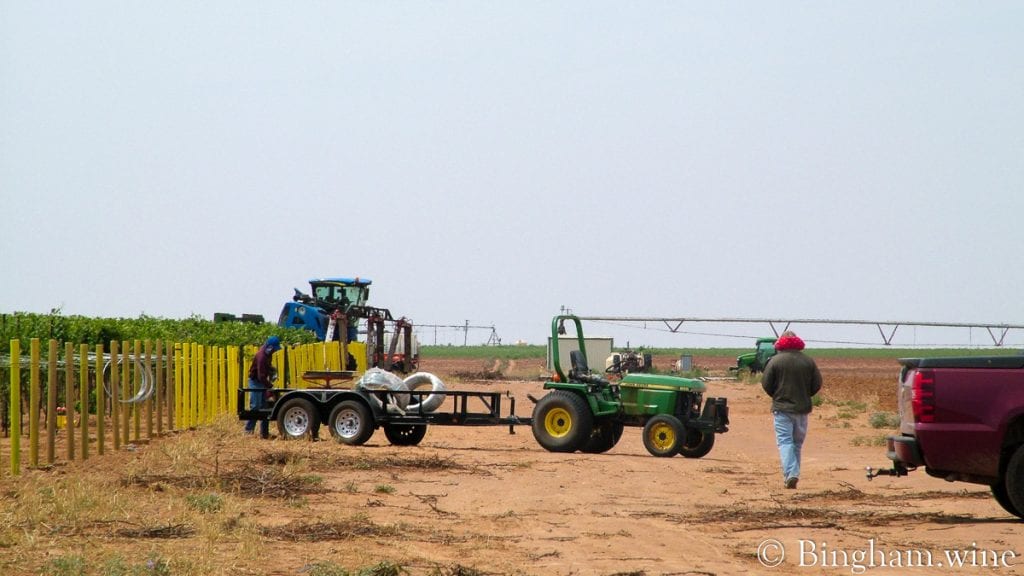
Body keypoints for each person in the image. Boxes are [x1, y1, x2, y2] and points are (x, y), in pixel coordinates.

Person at [761, 330, 822, 489]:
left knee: (785, 442)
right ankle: (793, 473)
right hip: (802, 409)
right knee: (796, 444)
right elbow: (816, 384)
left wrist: (777, 395)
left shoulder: (775, 361)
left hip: (782, 409)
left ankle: (791, 473)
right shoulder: (808, 361)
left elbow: (766, 384)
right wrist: (804, 395)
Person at [244, 335, 282, 438]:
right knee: (255, 406)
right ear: (270, 347)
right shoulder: (261, 356)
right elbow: (261, 376)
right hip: (256, 381)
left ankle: (264, 433)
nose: (275, 351)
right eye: (274, 348)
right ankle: (248, 430)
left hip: (262, 381)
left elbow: (267, 367)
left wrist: (272, 370)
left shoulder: (268, 354)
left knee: (265, 408)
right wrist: (270, 386)